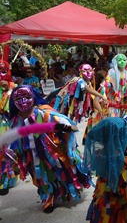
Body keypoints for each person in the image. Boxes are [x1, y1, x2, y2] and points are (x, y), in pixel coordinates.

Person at [7, 85, 92, 213]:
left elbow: (69, 125)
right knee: (41, 175)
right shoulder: (16, 120)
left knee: (61, 171)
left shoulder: (43, 112)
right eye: (18, 98)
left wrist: (62, 128)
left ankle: (66, 190)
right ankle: (48, 197)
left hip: (51, 151)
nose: (23, 101)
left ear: (34, 97)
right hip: (32, 155)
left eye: (27, 97)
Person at [0, 60, 18, 195]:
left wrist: (9, 91)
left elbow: (14, 108)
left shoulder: (14, 87)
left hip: (6, 124)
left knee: (6, 152)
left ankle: (4, 181)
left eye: (3, 71)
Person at [100, 53, 127, 118]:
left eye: (124, 60)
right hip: (111, 99)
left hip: (122, 101)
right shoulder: (111, 72)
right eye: (120, 60)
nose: (122, 62)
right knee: (112, 117)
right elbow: (106, 86)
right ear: (116, 61)